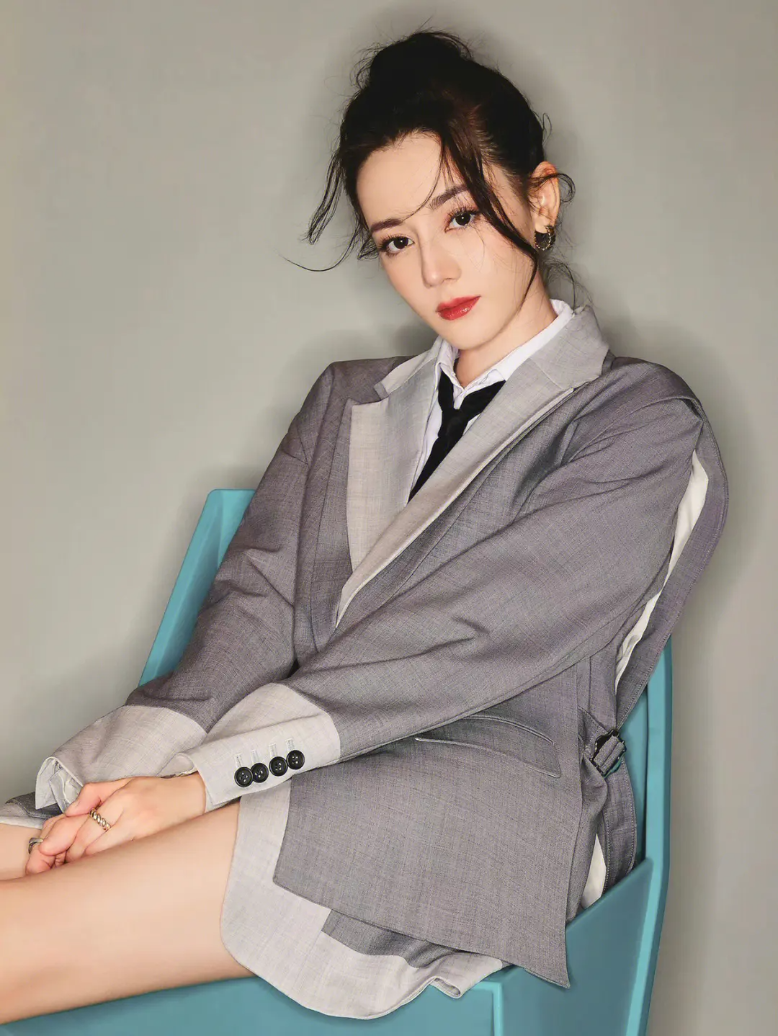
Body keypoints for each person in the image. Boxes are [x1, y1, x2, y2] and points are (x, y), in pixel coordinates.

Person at [0, 27, 728, 1024]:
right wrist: (112, 788)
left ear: (541, 199)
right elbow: (248, 622)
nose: (435, 268)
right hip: (281, 778)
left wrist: (203, 783)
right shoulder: (346, 401)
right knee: (38, 843)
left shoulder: (641, 420)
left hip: (484, 809)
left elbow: (467, 638)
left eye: (460, 215)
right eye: (395, 240)